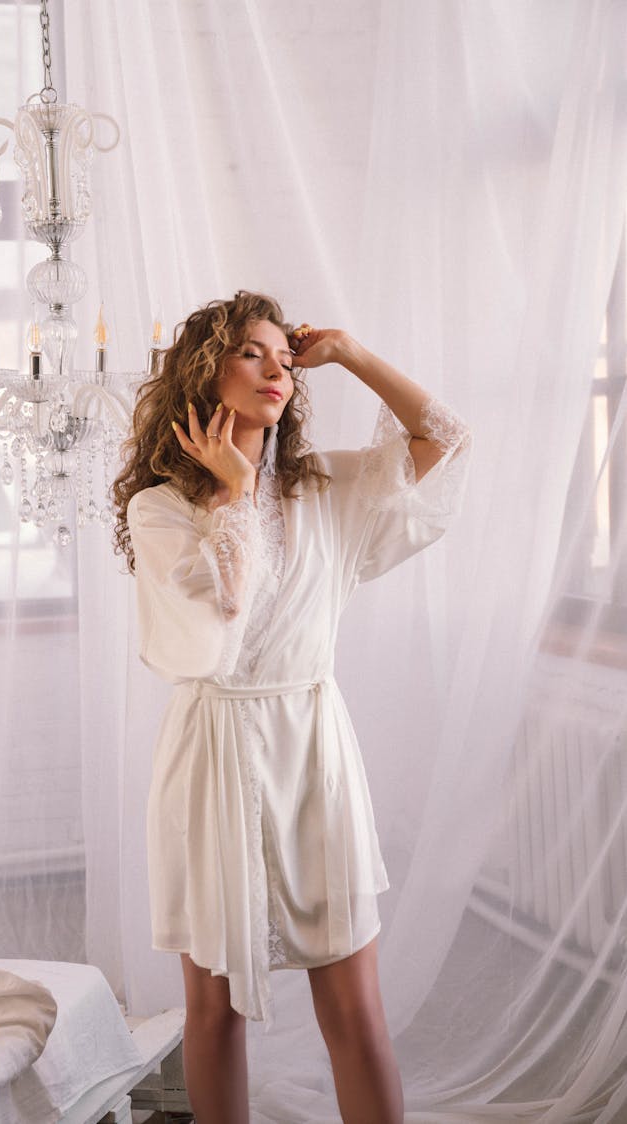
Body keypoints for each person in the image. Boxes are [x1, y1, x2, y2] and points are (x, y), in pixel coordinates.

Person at [112, 291, 470, 1124]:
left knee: (354, 1008)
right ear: (206, 373)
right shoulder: (159, 509)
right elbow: (213, 628)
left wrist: (348, 352)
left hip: (313, 751)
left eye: (286, 357)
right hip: (212, 753)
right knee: (214, 1010)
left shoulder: (329, 488)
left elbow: (446, 438)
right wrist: (234, 490)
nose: (277, 370)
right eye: (251, 353)